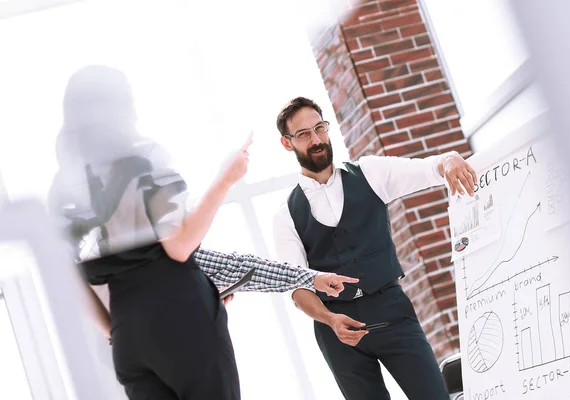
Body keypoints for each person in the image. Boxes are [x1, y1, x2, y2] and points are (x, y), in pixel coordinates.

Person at [47, 67, 357, 400]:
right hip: (184, 324)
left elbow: (65, 280)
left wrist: (119, 330)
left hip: (128, 339)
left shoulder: (64, 189)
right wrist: (226, 179)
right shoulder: (142, 159)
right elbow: (180, 246)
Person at [272, 97, 477, 400]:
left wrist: (448, 159)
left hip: (391, 310)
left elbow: (425, 169)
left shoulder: (369, 172)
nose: (316, 140)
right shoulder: (286, 215)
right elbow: (297, 289)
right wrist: (330, 320)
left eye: (320, 128)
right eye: (303, 134)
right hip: (337, 331)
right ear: (287, 144)